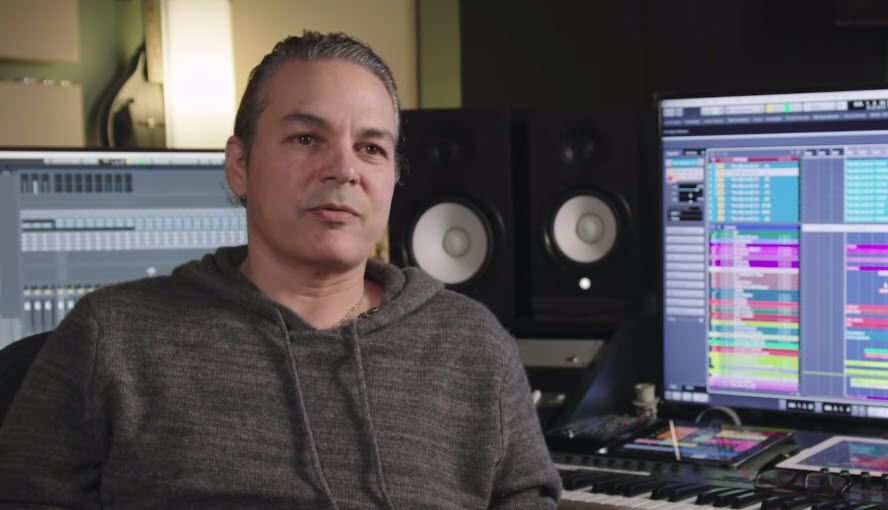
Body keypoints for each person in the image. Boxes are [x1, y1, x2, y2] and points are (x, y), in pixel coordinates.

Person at [0, 31, 561, 508]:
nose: (343, 168)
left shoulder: (472, 346)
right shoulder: (112, 337)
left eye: (371, 148)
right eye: (306, 138)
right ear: (240, 166)